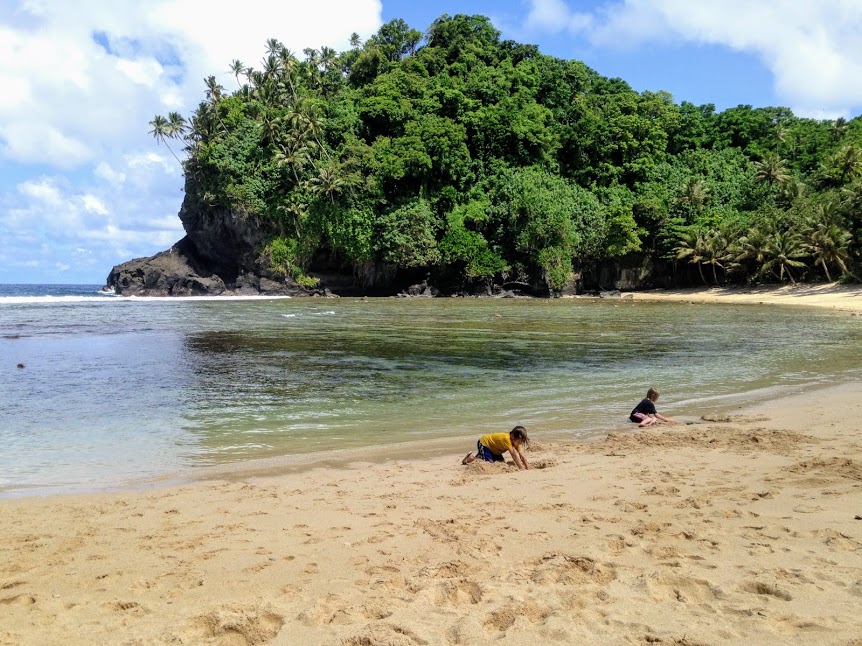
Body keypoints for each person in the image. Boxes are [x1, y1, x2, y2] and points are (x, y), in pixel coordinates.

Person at [462, 426, 530, 470]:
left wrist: (527, 467)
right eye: (519, 441)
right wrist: (521, 467)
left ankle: (481, 456)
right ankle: (471, 458)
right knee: (488, 463)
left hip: (495, 450)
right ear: (512, 436)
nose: (520, 444)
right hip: (485, 443)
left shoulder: (517, 442)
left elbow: (522, 455)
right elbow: (514, 455)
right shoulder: (507, 438)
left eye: (521, 442)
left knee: (501, 463)